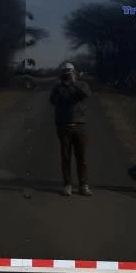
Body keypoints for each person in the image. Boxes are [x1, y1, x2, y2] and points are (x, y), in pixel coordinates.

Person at [49, 62, 92, 196]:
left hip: (79, 125)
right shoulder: (57, 87)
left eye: (70, 72)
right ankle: (67, 184)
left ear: (74, 72)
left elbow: (86, 95)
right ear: (62, 74)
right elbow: (52, 101)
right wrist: (62, 85)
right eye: (66, 73)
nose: (68, 75)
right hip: (63, 126)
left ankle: (83, 185)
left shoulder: (82, 85)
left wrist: (73, 83)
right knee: (65, 156)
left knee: (82, 157)